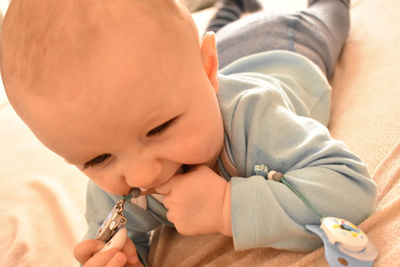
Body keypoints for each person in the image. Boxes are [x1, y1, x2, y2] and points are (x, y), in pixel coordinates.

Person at [0, 0, 377, 266]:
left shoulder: (255, 117)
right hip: (209, 55)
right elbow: (124, 236)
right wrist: (123, 256)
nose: (142, 177)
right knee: (226, 24)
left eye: (159, 128)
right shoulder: (114, 185)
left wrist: (227, 206)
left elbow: (352, 189)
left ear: (208, 70)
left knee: (328, 16)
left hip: (287, 47)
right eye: (98, 159)